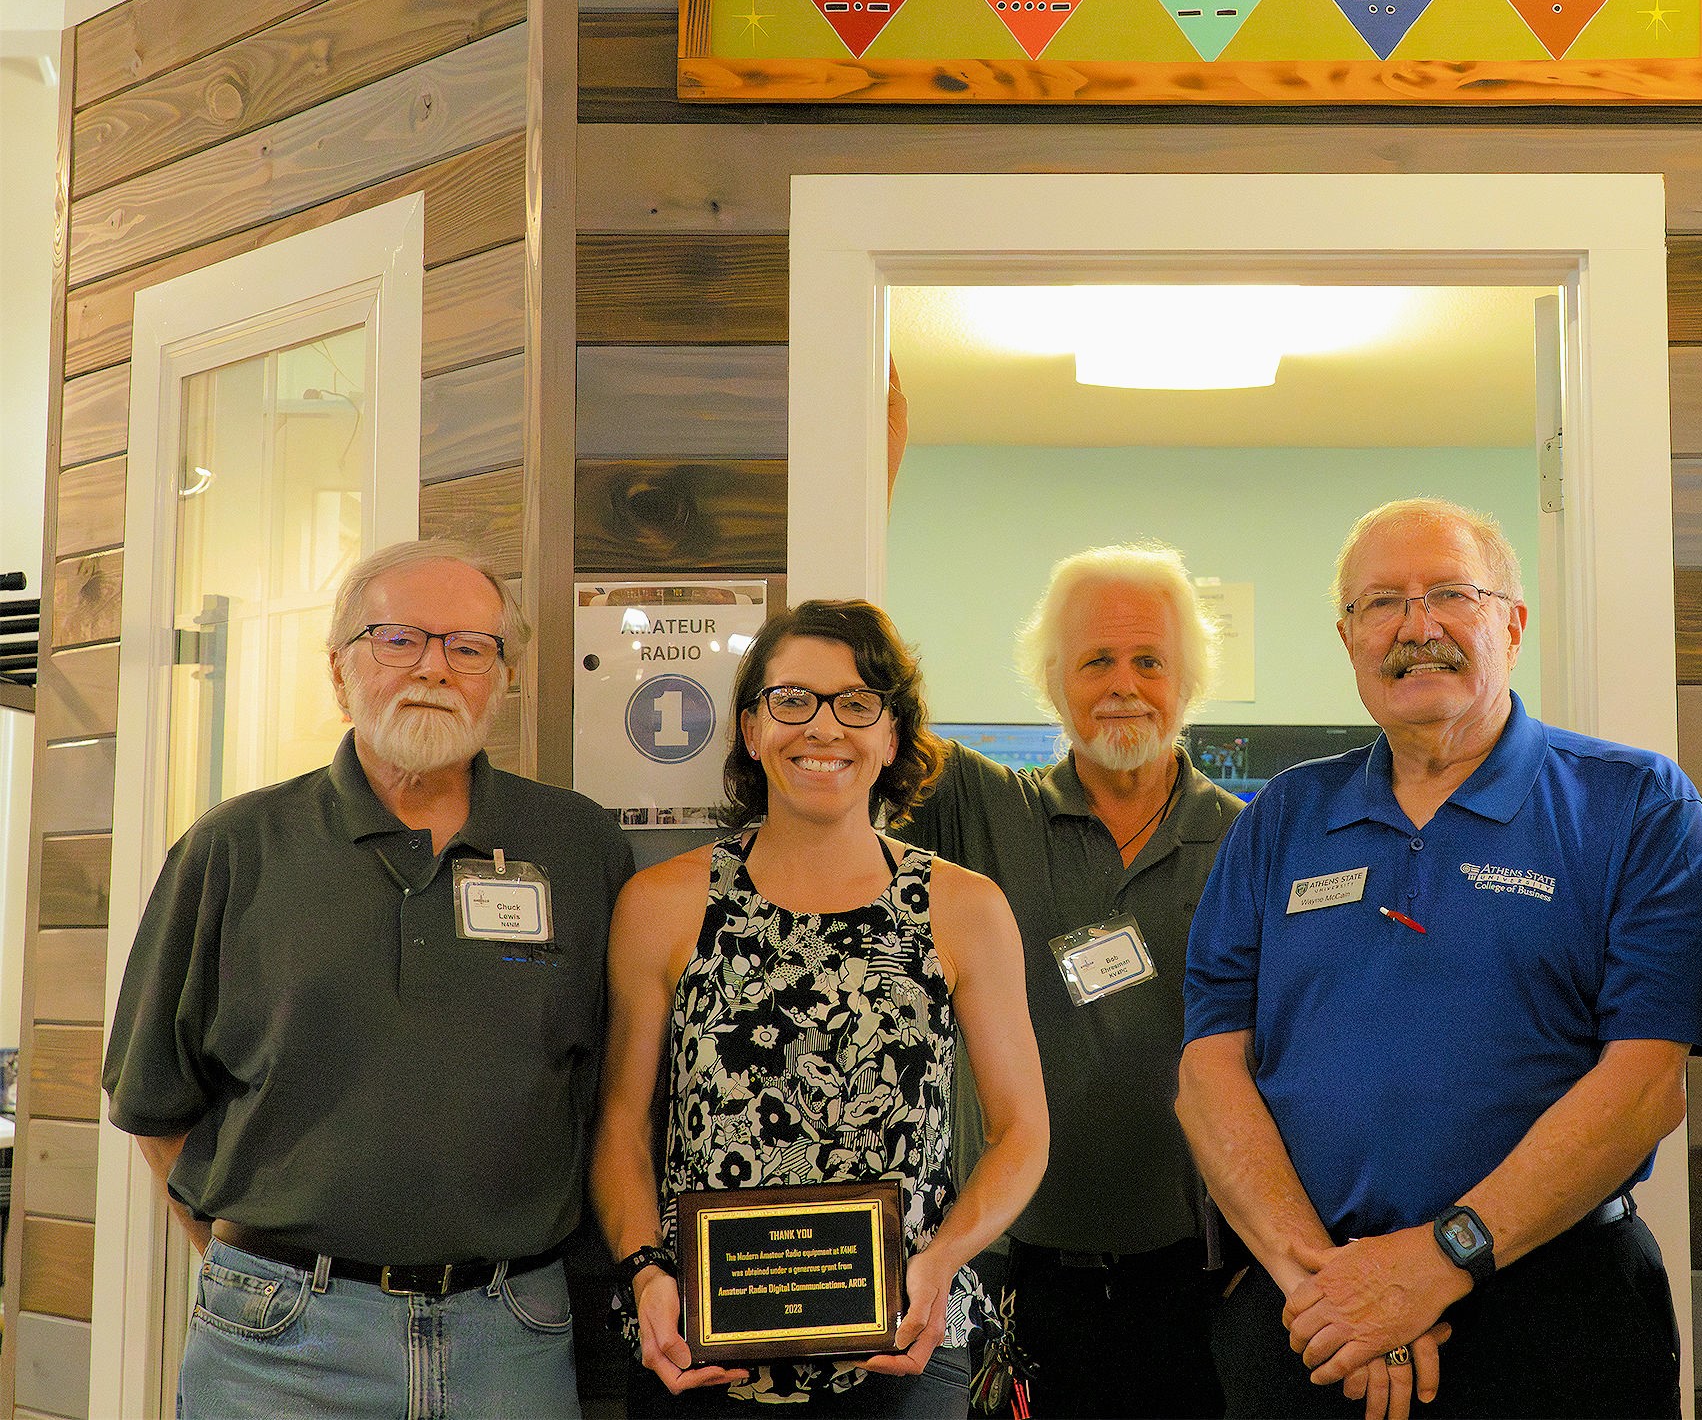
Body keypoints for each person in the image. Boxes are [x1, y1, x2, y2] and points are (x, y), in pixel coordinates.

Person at [1178, 498, 1702, 1420]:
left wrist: (1435, 1262)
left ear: (1513, 623)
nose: (1418, 627)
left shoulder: (1635, 804)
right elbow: (1209, 1072)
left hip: (1556, 1317)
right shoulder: (1282, 818)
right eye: (1381, 604)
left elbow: (1646, 1086)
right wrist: (1331, 1291)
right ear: (1348, 637)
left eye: (1451, 593)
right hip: (1311, 1315)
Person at [102, 539, 632, 1419]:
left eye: (469, 647)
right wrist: (268, 1274)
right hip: (280, 1347)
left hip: (513, 1337)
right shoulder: (235, 848)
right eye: (399, 640)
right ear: (341, 671)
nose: (434, 667)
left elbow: (613, 1093)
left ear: (500, 680)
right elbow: (152, 1100)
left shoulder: (578, 850)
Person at [593, 599, 1047, 1416]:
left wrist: (941, 1261)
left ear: (892, 736)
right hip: (698, 1348)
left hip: (902, 1348)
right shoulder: (662, 904)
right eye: (792, 699)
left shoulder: (962, 908)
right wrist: (644, 1272)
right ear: (750, 727)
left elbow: (1023, 1134)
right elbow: (624, 1126)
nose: (823, 727)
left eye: (856, 703)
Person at [894, 543, 1246, 1419]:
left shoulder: (1252, 839)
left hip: (1205, 1287)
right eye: (1096, 661)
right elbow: (874, 706)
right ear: (1052, 682)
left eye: (1149, 661)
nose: (1123, 683)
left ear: (1187, 682)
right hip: (1019, 1286)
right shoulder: (983, 811)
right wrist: (865, 460)